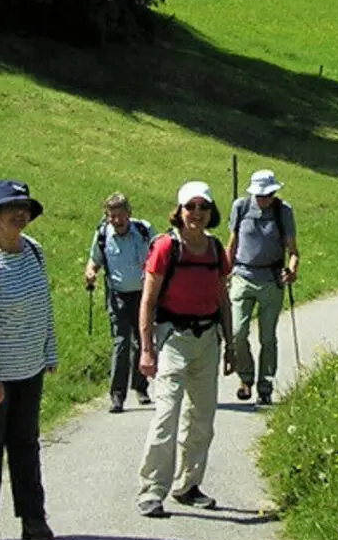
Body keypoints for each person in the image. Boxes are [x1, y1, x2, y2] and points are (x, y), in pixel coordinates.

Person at [134, 181, 249, 518]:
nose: (197, 213)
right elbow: (148, 301)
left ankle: (187, 485)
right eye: (191, 207)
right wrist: (146, 349)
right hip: (173, 339)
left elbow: (223, 299)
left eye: (203, 207)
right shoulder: (167, 248)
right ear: (179, 211)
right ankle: (151, 491)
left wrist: (230, 345)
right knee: (166, 416)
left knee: (202, 419)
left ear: (211, 212)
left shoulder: (215, 250)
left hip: (207, 339)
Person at [0, 180, 58, 540]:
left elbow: (44, 306)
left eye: (24, 208)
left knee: (26, 444)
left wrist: (49, 352)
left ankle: (33, 520)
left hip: (31, 369)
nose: (20, 214)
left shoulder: (34, 251)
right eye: (11, 209)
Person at [226, 169, 300, 406]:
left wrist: (292, 270)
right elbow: (232, 242)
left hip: (271, 279)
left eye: (267, 194)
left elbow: (293, 251)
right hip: (242, 275)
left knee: (267, 337)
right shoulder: (241, 207)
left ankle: (265, 387)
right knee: (237, 332)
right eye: (259, 194)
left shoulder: (283, 211)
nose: (263, 199)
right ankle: (245, 378)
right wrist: (224, 273)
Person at [84, 193, 156, 413]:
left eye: (120, 215)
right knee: (122, 343)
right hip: (117, 296)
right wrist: (90, 272)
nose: (116, 220)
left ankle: (141, 387)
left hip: (144, 295)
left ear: (129, 214)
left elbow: (159, 255)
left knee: (142, 341)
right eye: (112, 216)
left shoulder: (144, 231)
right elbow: (94, 260)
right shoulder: (103, 235)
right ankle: (117, 396)